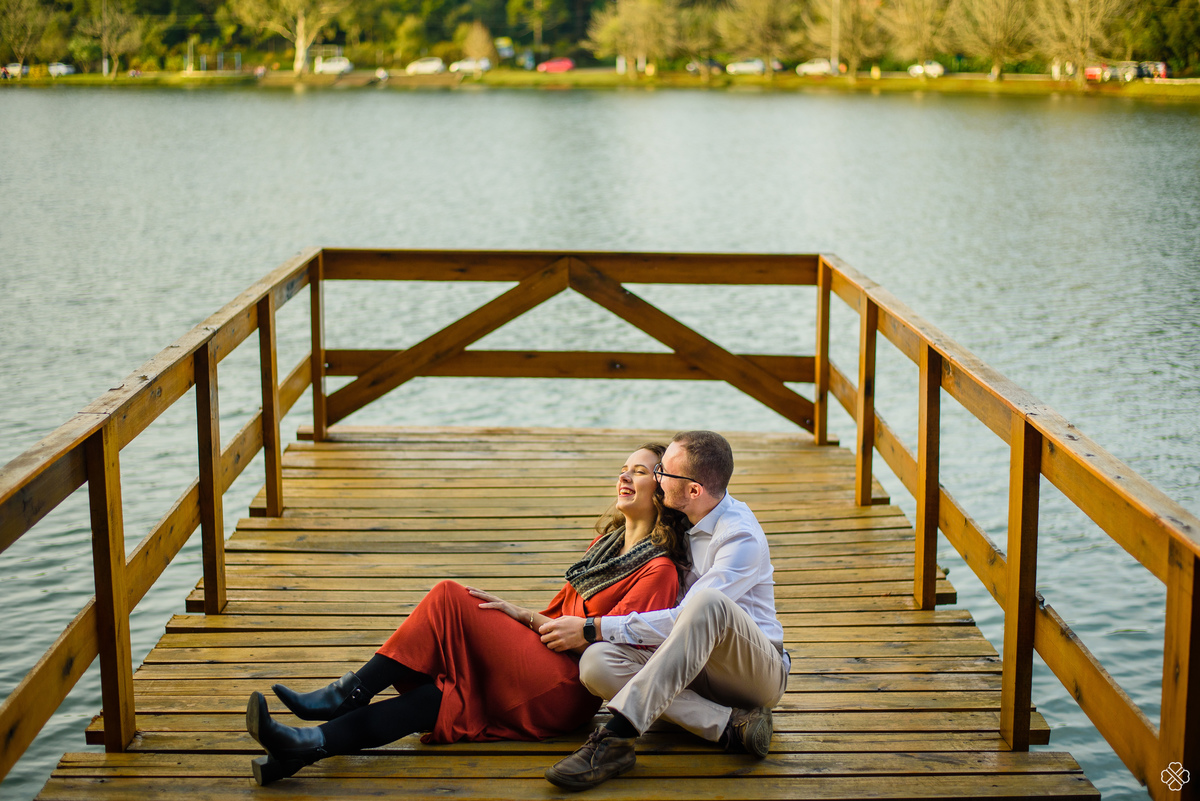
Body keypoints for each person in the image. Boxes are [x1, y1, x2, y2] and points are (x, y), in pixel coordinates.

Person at [245, 444, 689, 786]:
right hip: (541, 661)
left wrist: (526, 622)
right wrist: (519, 613)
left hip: (565, 687)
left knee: (449, 598)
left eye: (640, 470)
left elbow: (617, 648)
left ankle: (349, 691)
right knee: (437, 699)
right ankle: (304, 749)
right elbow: (557, 616)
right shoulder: (606, 547)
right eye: (624, 467)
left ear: (663, 489)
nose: (625, 475)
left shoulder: (659, 568)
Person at [544, 430, 789, 791]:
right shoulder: (683, 522)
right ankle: (729, 727)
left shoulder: (739, 537)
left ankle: (616, 738)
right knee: (597, 663)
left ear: (693, 491)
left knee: (707, 603)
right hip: (694, 663)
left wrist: (593, 627)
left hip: (753, 673)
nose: (656, 480)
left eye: (663, 474)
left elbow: (685, 618)